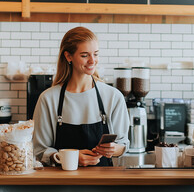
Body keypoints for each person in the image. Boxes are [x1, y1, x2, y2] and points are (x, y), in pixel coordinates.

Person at [33, 26, 129, 167]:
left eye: (95, 54)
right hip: (60, 184)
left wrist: (114, 149)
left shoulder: (113, 96)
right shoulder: (48, 99)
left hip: (103, 184)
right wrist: (69, 157)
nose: (92, 61)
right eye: (85, 55)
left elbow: (123, 144)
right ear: (68, 56)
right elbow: (39, 150)